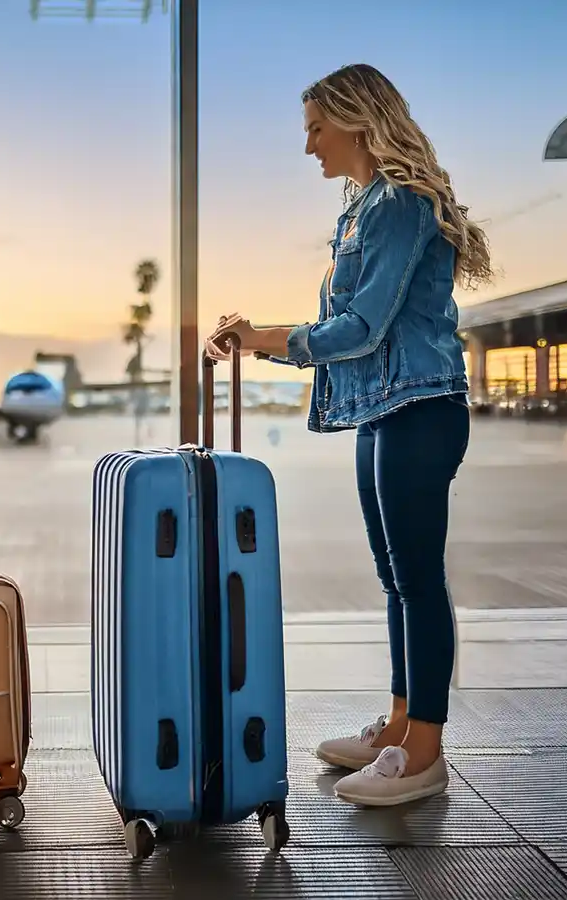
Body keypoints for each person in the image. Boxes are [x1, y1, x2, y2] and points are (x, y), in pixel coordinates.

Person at [206, 63, 490, 807]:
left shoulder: (399, 203)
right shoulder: (362, 208)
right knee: (396, 577)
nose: (308, 147)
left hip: (421, 408)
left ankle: (423, 749)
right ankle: (398, 725)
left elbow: (361, 328)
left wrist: (264, 335)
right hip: (382, 410)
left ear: (354, 120)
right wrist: (264, 338)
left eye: (314, 129)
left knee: (418, 580)